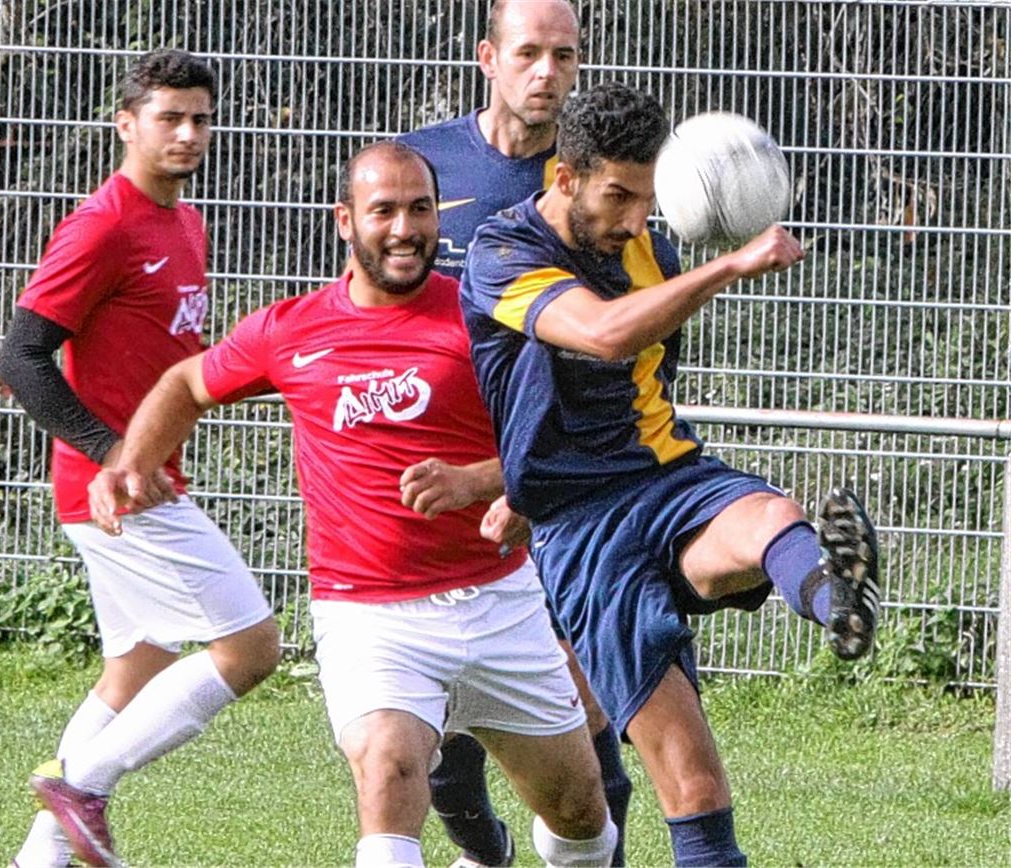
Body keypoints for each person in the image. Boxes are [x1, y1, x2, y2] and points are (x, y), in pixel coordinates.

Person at [87, 140, 618, 868]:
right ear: (345, 221)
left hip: (500, 604)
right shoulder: (290, 329)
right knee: (389, 773)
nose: (405, 228)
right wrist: (131, 462)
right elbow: (186, 384)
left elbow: (570, 438)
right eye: (385, 211)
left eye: (421, 209)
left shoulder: (484, 313)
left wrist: (490, 482)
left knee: (580, 811)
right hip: (370, 617)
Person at [461, 81, 881, 866]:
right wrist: (732, 266)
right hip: (584, 529)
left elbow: (643, 381)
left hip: (667, 476)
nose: (632, 220)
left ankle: (837, 602)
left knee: (768, 517)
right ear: (565, 177)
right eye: (617, 196)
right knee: (693, 785)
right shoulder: (503, 251)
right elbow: (605, 335)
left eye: (646, 199)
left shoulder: (653, 249)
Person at [0, 50, 281, 868]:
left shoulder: (184, 220)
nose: (188, 133)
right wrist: (112, 451)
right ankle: (84, 782)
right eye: (169, 118)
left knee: (135, 671)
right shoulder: (103, 224)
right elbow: (23, 356)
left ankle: (39, 857)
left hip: (144, 480)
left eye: (200, 118)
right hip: (121, 490)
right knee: (252, 648)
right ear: (126, 124)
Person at [399, 4, 634, 864]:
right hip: (435, 473)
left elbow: (621, 352)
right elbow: (371, 317)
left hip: (554, 478)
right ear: (486, 58)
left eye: (564, 55)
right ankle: (484, 853)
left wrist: (537, 481)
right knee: (446, 746)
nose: (547, 72)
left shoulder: (599, 187)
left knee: (583, 724)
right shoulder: (423, 164)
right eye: (529, 53)